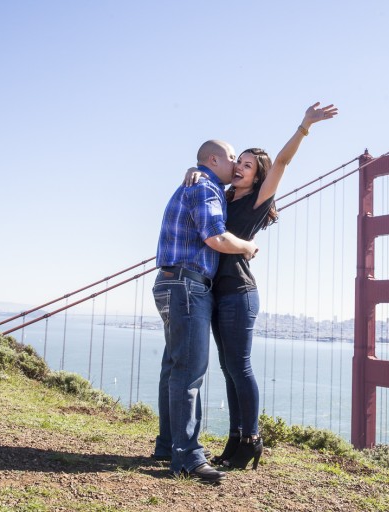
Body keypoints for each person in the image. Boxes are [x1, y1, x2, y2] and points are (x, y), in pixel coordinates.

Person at [184, 102, 338, 470]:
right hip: (215, 294)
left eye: (248, 165)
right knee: (228, 368)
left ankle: (251, 439)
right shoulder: (220, 196)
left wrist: (304, 126)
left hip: (239, 293)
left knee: (240, 366)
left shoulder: (256, 200)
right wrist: (193, 168)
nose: (239, 167)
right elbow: (205, 175)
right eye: (239, 162)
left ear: (258, 177)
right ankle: (236, 439)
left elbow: (282, 163)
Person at [153, 140, 259, 484]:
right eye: (232, 158)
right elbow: (215, 237)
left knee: (174, 368)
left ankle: (168, 445)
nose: (235, 164)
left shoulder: (198, 182)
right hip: (188, 285)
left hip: (172, 281)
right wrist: (248, 246)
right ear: (214, 160)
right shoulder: (205, 188)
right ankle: (188, 459)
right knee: (188, 372)